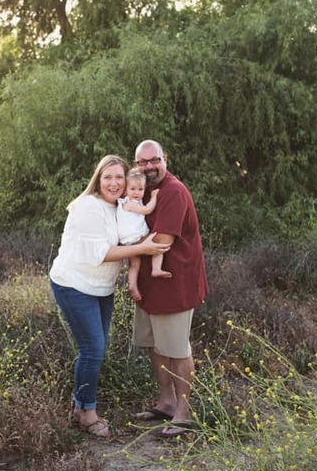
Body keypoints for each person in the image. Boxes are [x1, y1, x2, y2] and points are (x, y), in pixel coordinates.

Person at [50, 155, 171, 438]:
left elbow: (130, 233)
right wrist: (145, 250)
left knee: (94, 350)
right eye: (108, 177)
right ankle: (88, 415)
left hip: (101, 287)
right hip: (74, 284)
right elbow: (102, 253)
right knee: (93, 350)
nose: (114, 183)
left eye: (119, 177)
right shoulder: (87, 207)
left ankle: (79, 408)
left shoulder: (118, 205)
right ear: (98, 179)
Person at [130, 140, 209, 437]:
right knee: (155, 345)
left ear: (166, 159)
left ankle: (184, 413)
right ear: (136, 164)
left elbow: (163, 242)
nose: (149, 166)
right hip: (150, 286)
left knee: (176, 348)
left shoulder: (174, 191)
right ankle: (166, 402)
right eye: (143, 161)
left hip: (175, 283)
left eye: (155, 160)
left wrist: (121, 248)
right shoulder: (141, 188)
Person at [116, 167, 171, 302]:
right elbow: (147, 210)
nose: (136, 193)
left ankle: (133, 285)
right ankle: (156, 269)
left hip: (128, 242)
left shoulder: (127, 202)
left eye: (140, 189)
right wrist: (154, 197)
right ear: (125, 190)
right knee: (157, 245)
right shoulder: (130, 204)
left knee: (135, 264)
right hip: (135, 238)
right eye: (133, 189)